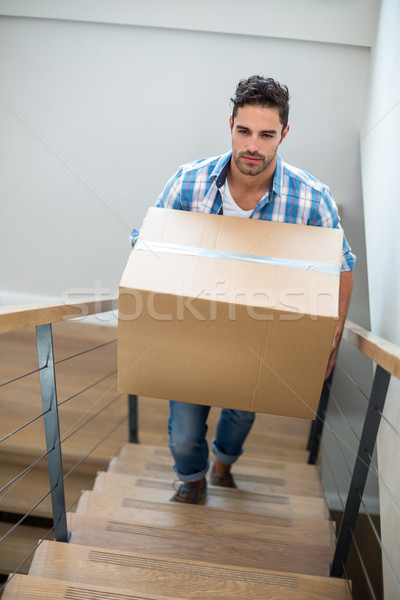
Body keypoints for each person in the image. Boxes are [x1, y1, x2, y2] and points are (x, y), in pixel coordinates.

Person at [153, 75, 355, 504]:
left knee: (240, 416)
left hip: (261, 339)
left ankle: (224, 465)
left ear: (284, 134)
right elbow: (152, 247)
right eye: (244, 131)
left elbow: (342, 266)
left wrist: (332, 335)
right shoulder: (188, 183)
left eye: (266, 135)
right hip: (193, 331)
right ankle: (193, 481)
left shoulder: (311, 199)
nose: (252, 146)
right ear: (230, 124)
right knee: (185, 433)